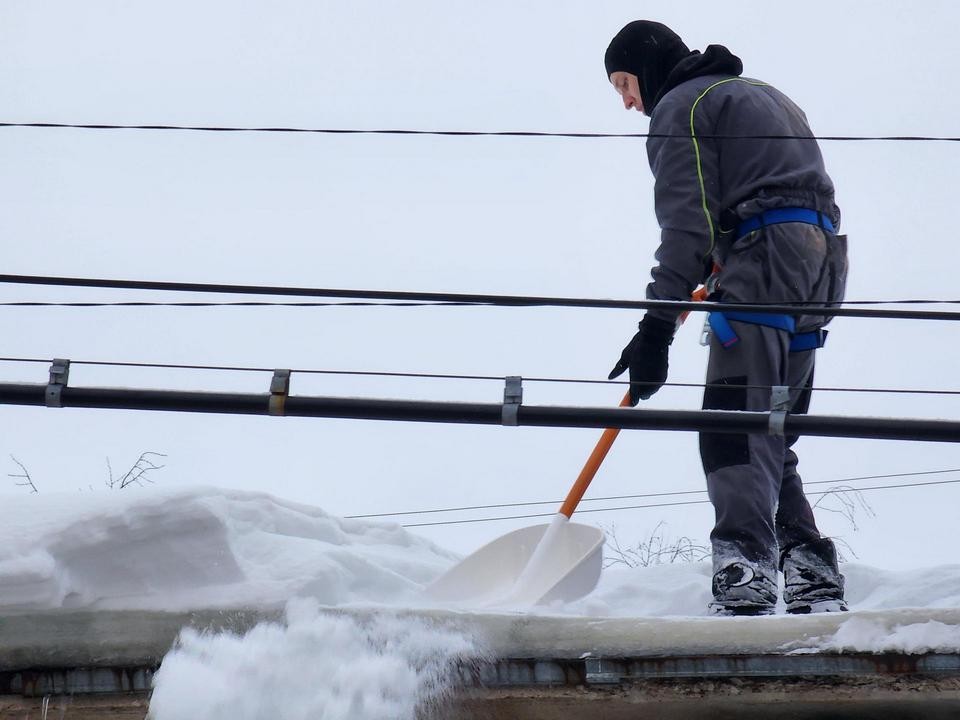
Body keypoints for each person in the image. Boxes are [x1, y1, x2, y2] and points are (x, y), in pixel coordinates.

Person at [604, 21, 849, 616]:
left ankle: (745, 572)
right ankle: (810, 570)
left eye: (625, 84)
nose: (631, 103)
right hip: (819, 266)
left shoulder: (683, 106)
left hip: (764, 262)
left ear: (647, 65)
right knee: (768, 426)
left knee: (732, 426)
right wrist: (720, 269)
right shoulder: (764, 95)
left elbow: (687, 225)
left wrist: (655, 328)